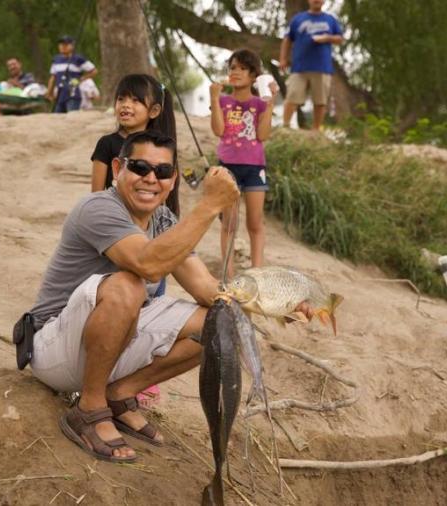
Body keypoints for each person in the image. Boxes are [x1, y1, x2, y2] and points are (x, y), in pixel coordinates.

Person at [24, 130, 321, 461]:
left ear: (173, 178)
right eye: (139, 167)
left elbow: (207, 288)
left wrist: (274, 306)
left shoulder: (163, 219)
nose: (151, 179)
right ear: (117, 166)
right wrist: (209, 205)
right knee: (128, 284)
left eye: (163, 172)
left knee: (223, 319)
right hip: (54, 350)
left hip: (106, 347)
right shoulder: (98, 207)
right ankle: (89, 408)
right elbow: (147, 264)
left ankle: (120, 393)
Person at [211, 49, 276, 278]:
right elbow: (219, 130)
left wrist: (270, 103)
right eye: (232, 68)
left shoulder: (260, 103)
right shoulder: (222, 100)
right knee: (229, 222)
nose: (235, 72)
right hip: (228, 166)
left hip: (255, 167)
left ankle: (257, 275)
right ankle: (228, 275)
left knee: (255, 222)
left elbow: (263, 135)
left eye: (242, 68)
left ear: (253, 76)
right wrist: (213, 98)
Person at [90, 74, 179, 214]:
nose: (126, 105)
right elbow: (96, 195)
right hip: (113, 218)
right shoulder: (106, 143)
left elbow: (160, 191)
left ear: (154, 111)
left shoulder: (159, 147)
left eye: (135, 100)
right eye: (121, 99)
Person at [278, 0, 344, 131]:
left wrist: (327, 38)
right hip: (299, 67)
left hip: (322, 67)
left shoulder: (330, 20)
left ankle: (316, 130)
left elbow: (340, 39)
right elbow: (287, 39)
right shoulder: (298, 19)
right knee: (292, 97)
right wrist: (283, 59)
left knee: (320, 101)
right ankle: (285, 126)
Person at [45, 35, 97, 113]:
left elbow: (93, 71)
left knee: (71, 117)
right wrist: (49, 93)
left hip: (72, 94)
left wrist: (81, 79)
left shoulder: (78, 59)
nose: (63, 46)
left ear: (72, 46)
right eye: (61, 44)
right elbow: (53, 77)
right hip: (60, 95)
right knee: (57, 117)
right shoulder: (56, 60)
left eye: (66, 44)